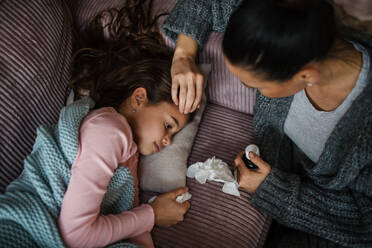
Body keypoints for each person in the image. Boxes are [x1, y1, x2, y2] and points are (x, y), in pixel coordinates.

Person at [162, 0, 372, 247]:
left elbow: (365, 222)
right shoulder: (284, 23)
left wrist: (272, 189)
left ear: (306, 76)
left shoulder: (363, 131)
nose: (249, 89)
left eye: (256, 86)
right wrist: (184, 56)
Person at [0, 1, 190, 248]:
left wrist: (146, 221)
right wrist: (151, 215)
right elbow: (77, 235)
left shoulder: (129, 154)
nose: (168, 141)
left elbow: (120, 222)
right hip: (24, 227)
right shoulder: (109, 131)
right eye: (168, 125)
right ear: (139, 98)